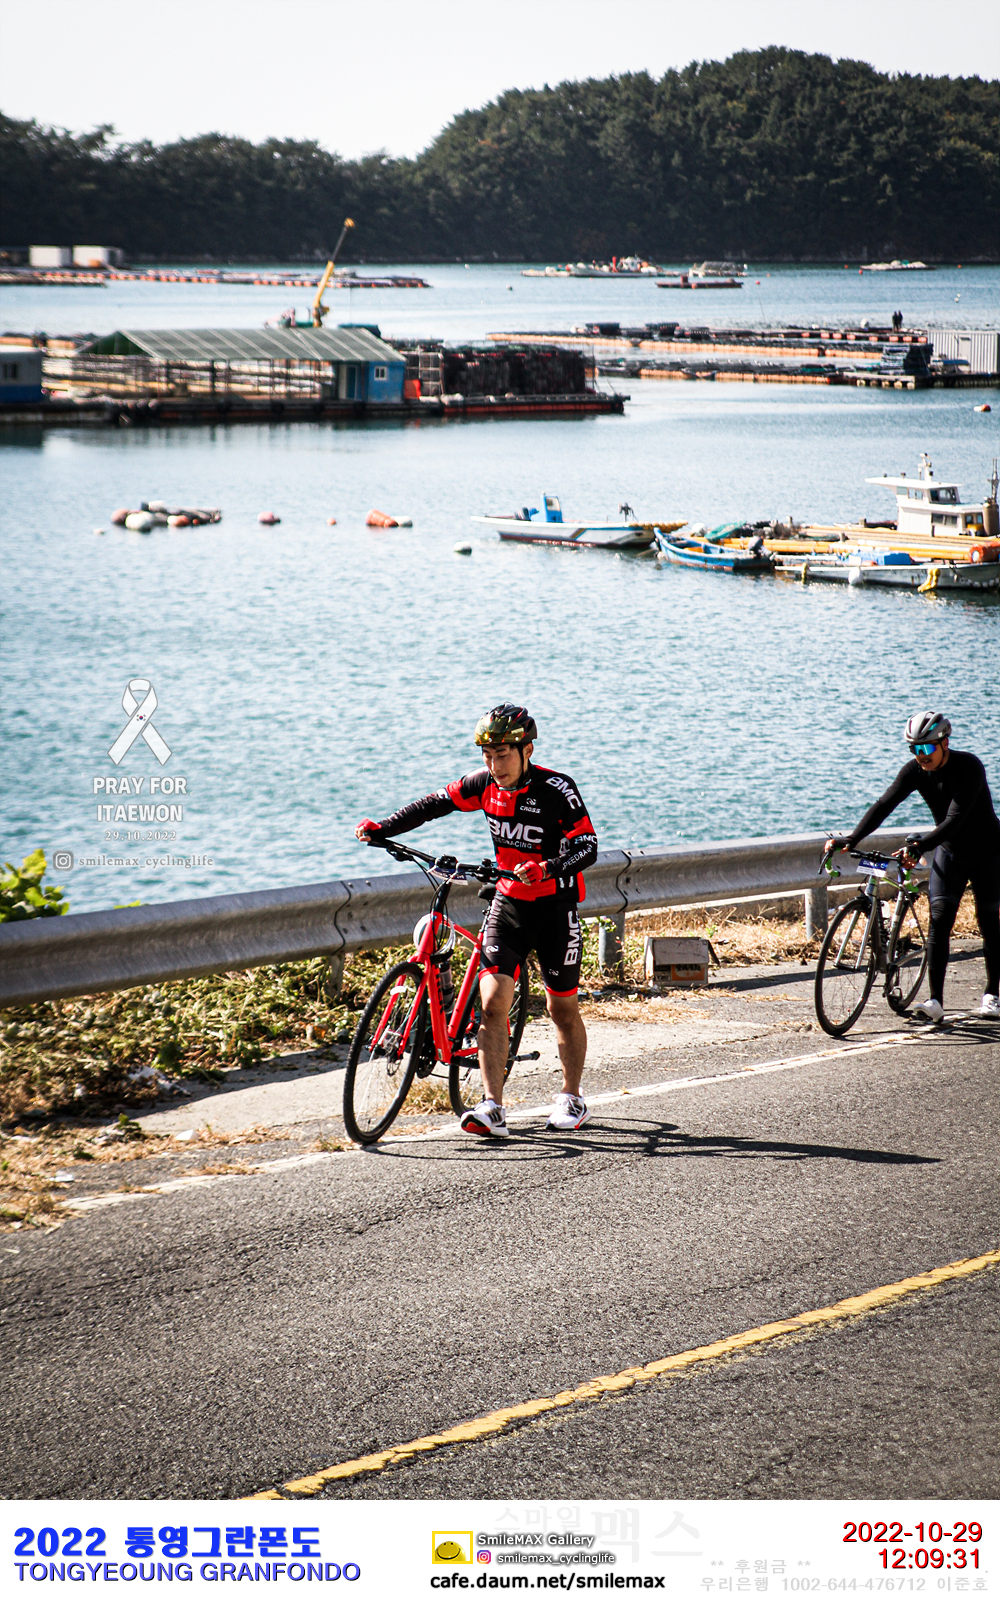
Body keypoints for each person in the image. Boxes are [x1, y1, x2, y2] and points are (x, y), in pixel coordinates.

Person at [356, 704, 599, 1137]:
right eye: (487, 755)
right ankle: (492, 1106)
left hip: (555, 911)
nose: (494, 765)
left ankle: (571, 1097)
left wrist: (546, 868)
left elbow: (587, 846)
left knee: (561, 1009)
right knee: (491, 1004)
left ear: (526, 750)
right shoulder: (483, 784)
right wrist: (385, 828)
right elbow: (434, 804)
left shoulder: (557, 789)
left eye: (502, 754)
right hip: (508, 906)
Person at [825, 712, 1000, 1022]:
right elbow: (884, 805)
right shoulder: (915, 771)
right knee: (939, 921)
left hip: (988, 852)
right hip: (950, 852)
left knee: (988, 923)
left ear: (945, 743)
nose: (921, 756)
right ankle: (935, 1001)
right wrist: (852, 839)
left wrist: (919, 847)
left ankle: (992, 996)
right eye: (914, 749)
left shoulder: (969, 767)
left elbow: (955, 819)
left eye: (927, 748)